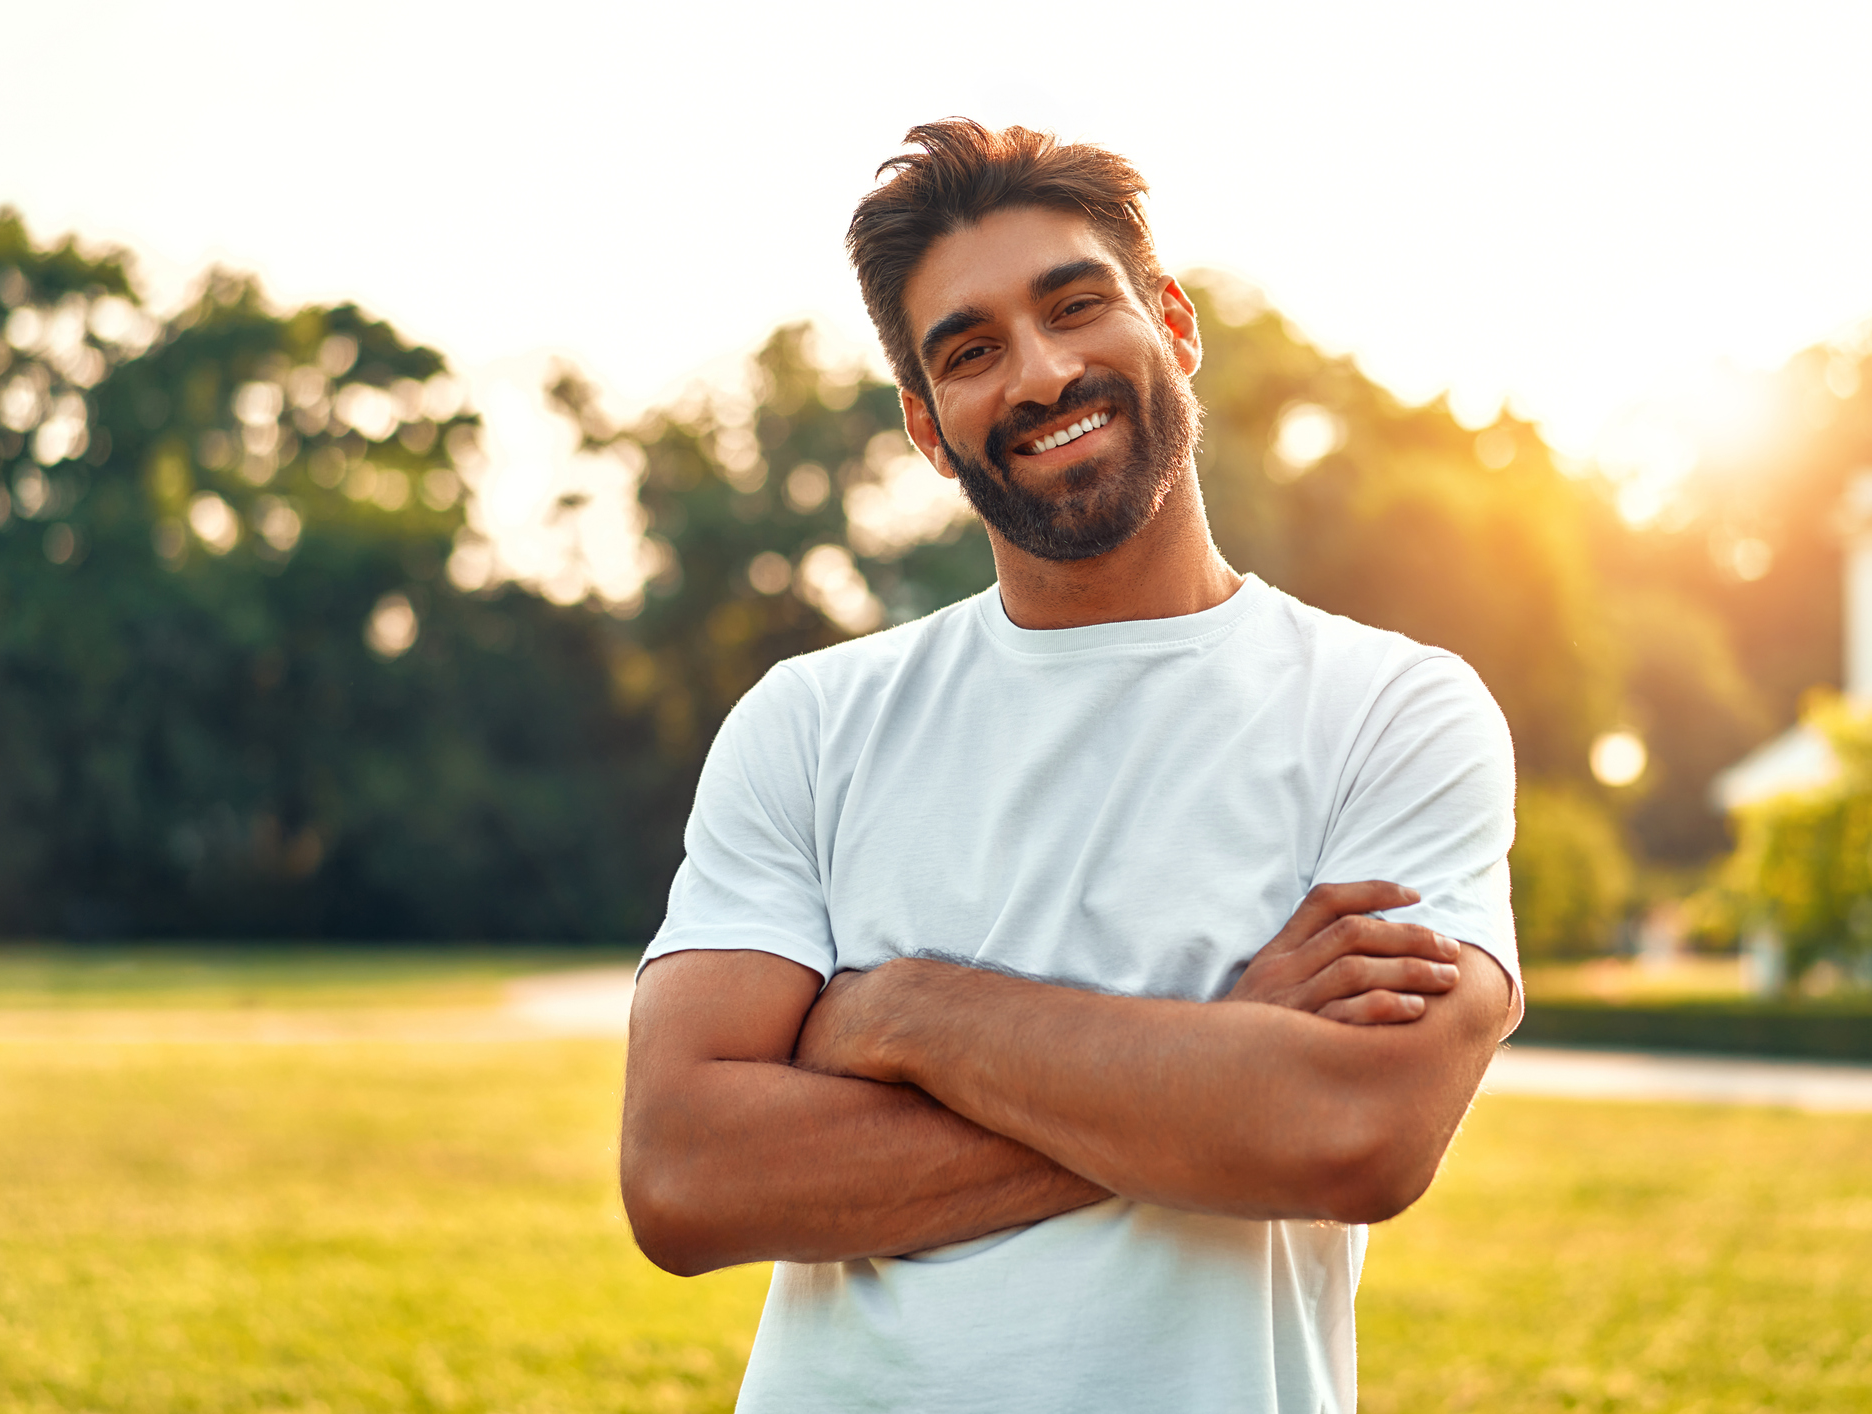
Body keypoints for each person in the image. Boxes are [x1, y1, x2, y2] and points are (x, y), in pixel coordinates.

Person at [619, 119, 1523, 1414]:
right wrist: (1223, 1059)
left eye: (1075, 305)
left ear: (1172, 321)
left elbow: (1356, 1134)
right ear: (929, 429)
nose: (1039, 373)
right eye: (971, 351)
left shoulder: (1391, 712)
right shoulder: (811, 721)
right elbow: (684, 1176)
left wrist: (908, 1016)